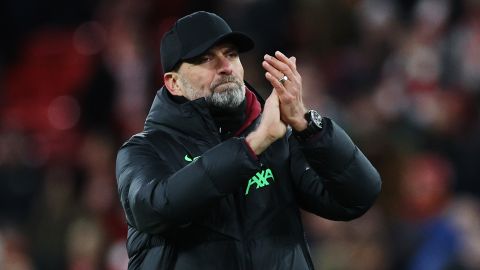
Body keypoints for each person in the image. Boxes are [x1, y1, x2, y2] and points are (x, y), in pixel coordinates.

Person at [116, 11, 381, 270]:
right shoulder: (144, 151)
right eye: (206, 58)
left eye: (231, 54)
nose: (226, 67)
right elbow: (156, 208)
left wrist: (308, 125)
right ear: (173, 83)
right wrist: (251, 146)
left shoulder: (278, 140)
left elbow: (357, 197)